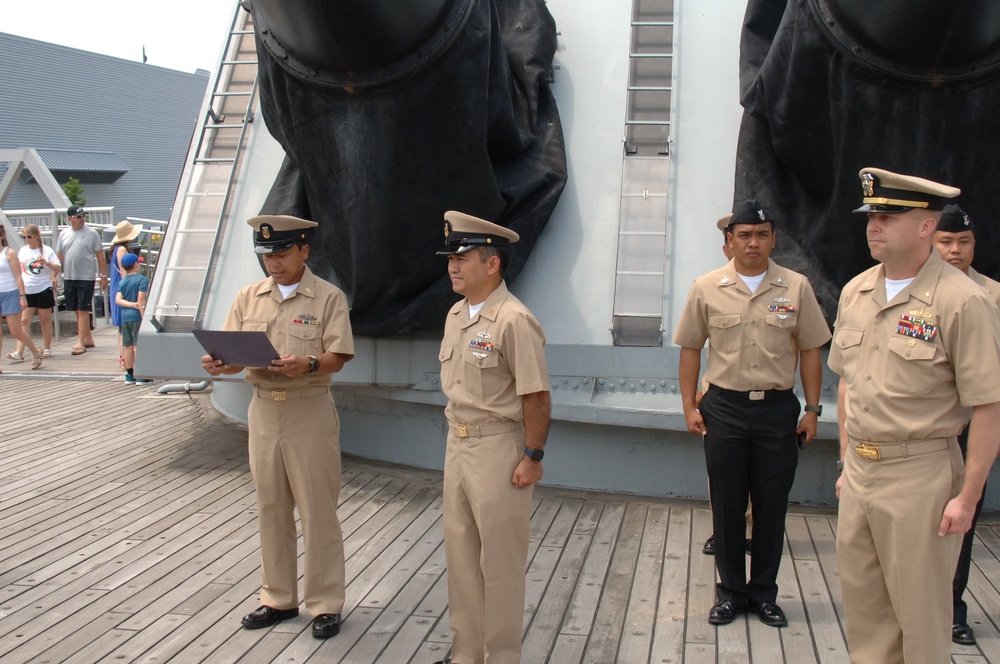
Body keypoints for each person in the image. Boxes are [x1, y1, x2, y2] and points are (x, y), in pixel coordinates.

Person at [830, 168, 1000, 663]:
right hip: (861, 474)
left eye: (887, 216)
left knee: (922, 629)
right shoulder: (856, 291)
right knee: (867, 622)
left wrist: (968, 497)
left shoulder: (962, 300)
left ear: (926, 226)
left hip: (920, 477)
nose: (873, 225)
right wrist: (846, 459)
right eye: (871, 216)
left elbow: (988, 405)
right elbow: (848, 381)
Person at [674, 200, 830, 628]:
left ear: (773, 239)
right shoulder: (706, 288)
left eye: (762, 235)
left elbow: (812, 350)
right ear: (730, 242)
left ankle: (763, 594)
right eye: (744, 235)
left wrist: (813, 409)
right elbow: (690, 350)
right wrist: (689, 407)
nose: (754, 243)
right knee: (726, 505)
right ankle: (730, 594)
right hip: (724, 407)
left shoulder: (796, 287)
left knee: (771, 506)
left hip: (777, 410)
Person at [201, 214, 354, 639]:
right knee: (271, 508)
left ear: (305, 250)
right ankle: (278, 597)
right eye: (267, 254)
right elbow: (232, 356)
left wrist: (306, 363)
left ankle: (325, 603)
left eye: (282, 253)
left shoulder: (327, 298)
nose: (273, 262)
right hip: (264, 410)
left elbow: (338, 355)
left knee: (317, 510)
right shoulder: (249, 297)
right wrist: (219, 362)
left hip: (309, 409)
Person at [434, 210, 551, 664]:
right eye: (451, 259)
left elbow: (536, 395)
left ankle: (500, 656)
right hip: (457, 447)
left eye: (463, 258)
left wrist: (533, 455)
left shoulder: (514, 320)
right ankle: (467, 653)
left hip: (499, 449)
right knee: (462, 559)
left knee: (499, 565)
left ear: (492, 264)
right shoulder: (456, 315)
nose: (453, 267)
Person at [930, 204, 1000, 646]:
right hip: (931, 424)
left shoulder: (992, 294)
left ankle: (952, 609)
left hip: (972, 424)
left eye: (964, 242)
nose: (955, 251)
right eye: (946, 241)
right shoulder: (919, 290)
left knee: (962, 517)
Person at [701, 212, 752, 558]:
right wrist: (696, 397)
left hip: (763, 395)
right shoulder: (711, 288)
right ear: (727, 247)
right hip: (721, 391)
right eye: (737, 239)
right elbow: (698, 346)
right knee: (720, 472)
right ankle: (722, 531)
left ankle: (754, 531)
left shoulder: (785, 288)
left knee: (761, 475)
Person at [55, 205, 108, 355]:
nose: (82, 219)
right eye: (78, 217)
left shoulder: (92, 234)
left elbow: (100, 256)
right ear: (70, 218)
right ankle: (88, 338)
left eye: (83, 216)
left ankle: (80, 342)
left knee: (83, 309)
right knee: (75, 309)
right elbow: (59, 255)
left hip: (86, 276)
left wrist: (103, 277)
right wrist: (55, 275)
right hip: (70, 276)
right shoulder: (63, 234)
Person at [10, 224, 60, 360]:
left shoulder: (47, 250)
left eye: (29, 236)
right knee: (24, 320)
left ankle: (47, 347)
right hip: (27, 289)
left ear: (37, 236)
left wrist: (47, 263)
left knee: (45, 319)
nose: (27, 239)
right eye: (24, 237)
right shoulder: (22, 251)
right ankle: (19, 351)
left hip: (43, 287)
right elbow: (18, 269)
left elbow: (58, 267)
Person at [0, 223, 43, 370]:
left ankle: (36, 352)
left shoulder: (9, 253)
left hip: (10, 292)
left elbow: (18, 276)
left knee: (15, 330)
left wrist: (22, 296)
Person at [109, 220, 143, 368]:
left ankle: (123, 358)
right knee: (125, 329)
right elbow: (125, 274)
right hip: (122, 289)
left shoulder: (116, 248)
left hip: (116, 287)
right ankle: (125, 359)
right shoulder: (122, 250)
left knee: (121, 327)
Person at [115, 252, 151, 386]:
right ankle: (141, 374)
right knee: (138, 344)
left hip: (125, 317)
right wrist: (142, 314)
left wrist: (130, 305)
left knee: (128, 345)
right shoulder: (142, 280)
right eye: (138, 262)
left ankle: (130, 375)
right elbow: (141, 300)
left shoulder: (123, 281)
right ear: (135, 264)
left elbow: (118, 300)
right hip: (137, 317)